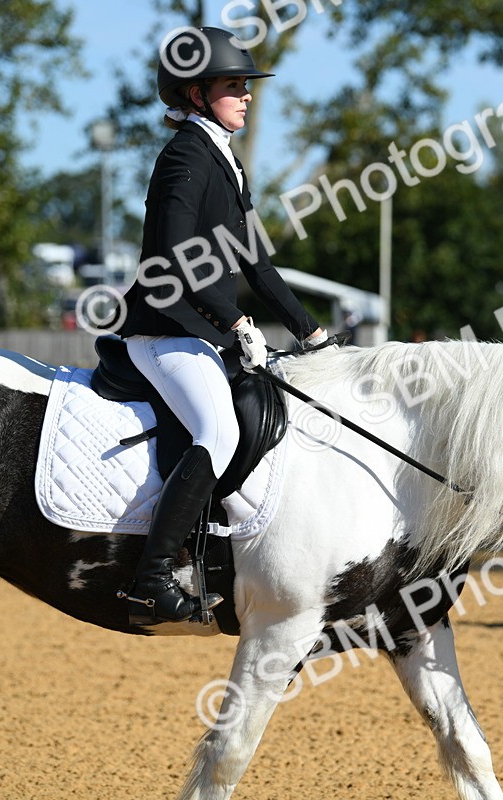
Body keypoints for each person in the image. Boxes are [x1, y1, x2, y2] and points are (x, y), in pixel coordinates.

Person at [116, 27, 328, 625]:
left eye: (245, 85)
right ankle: (151, 577)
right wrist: (234, 319)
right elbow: (173, 254)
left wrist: (312, 334)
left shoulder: (225, 160)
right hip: (162, 329)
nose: (247, 95)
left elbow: (257, 263)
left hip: (197, 331)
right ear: (195, 92)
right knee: (219, 430)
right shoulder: (185, 154)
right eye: (235, 85)